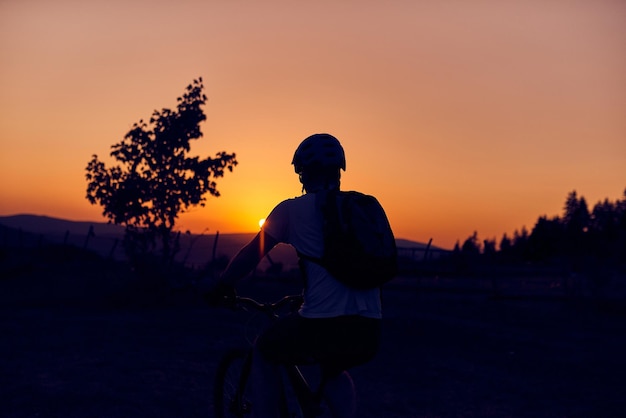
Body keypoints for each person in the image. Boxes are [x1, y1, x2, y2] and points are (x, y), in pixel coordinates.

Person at [210, 133, 387, 418]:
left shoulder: (291, 210)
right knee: (333, 369)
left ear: (302, 172)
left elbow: (250, 256)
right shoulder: (366, 207)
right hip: (369, 329)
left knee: (264, 351)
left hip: (323, 325)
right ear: (339, 171)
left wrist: (221, 285)